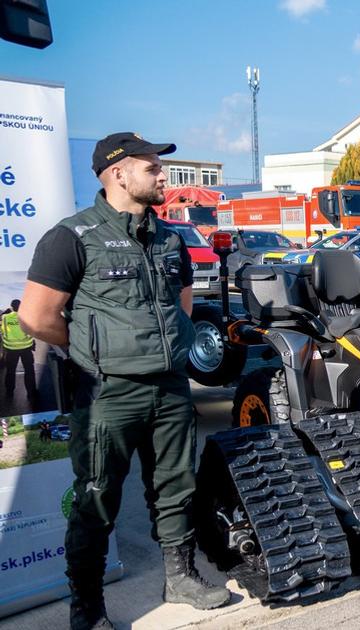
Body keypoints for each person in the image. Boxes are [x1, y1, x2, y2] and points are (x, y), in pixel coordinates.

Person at [18, 133, 229, 630]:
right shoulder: (72, 237)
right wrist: (95, 349)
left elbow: (182, 304)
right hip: (109, 393)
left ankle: (179, 577)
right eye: (153, 168)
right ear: (118, 174)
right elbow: (35, 316)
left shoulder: (170, 238)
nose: (164, 176)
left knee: (177, 486)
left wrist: (170, 350)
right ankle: (87, 608)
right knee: (96, 496)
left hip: (171, 388)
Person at [1, 299, 37, 403]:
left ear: (11, 307)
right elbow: (32, 331)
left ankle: (9, 393)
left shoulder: (5, 318)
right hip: (26, 348)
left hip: (11, 348)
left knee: (10, 371)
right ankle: (31, 393)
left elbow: (2, 330)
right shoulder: (26, 317)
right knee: (29, 371)